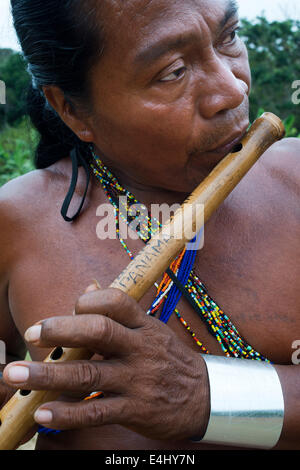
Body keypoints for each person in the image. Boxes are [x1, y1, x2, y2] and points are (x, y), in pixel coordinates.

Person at [0, 0, 299, 450]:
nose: (233, 90)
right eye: (173, 71)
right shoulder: (16, 221)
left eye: (229, 38)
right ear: (72, 109)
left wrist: (207, 396)